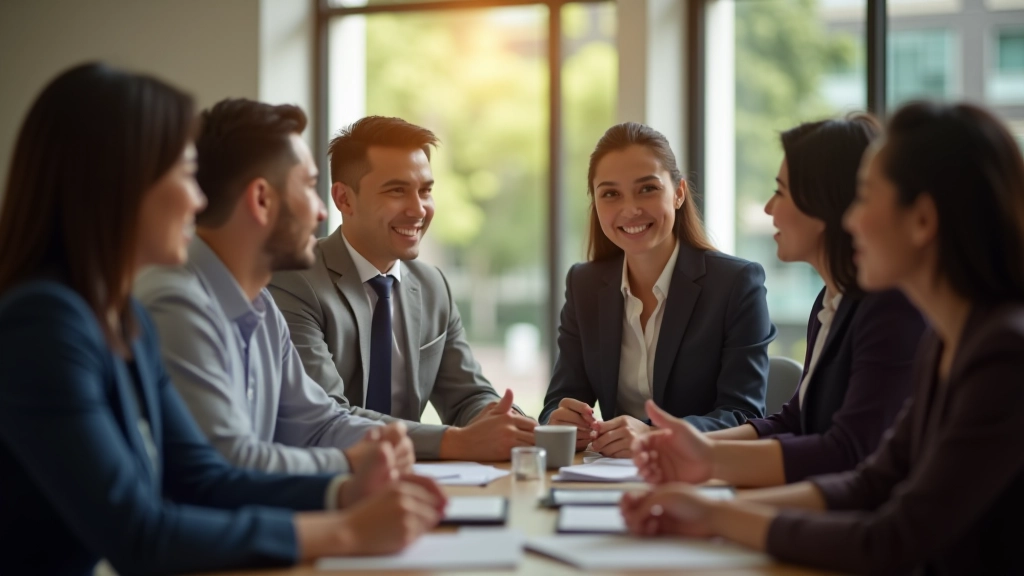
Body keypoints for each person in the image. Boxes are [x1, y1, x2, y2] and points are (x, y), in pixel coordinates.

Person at [0, 63, 444, 576]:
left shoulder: (122, 321)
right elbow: (139, 534)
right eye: (185, 175)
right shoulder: (43, 326)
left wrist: (344, 490)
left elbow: (202, 477)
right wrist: (346, 529)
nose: (197, 199)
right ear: (121, 183)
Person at [621, 102, 1024, 574]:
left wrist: (721, 515)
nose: (850, 220)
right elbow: (871, 483)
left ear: (922, 220)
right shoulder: (948, 341)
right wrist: (713, 509)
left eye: (866, 198)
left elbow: (893, 536)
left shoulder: (1004, 355)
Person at [633, 115, 925, 487]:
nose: (770, 208)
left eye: (781, 192)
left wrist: (710, 463)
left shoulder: (889, 308)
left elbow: (847, 453)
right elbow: (793, 422)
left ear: (823, 204)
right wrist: (688, 446)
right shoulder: (830, 302)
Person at [134, 99, 414, 475]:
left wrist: (388, 444)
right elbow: (229, 463)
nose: (321, 211)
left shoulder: (261, 307)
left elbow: (318, 424)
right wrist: (350, 464)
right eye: (311, 187)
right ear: (262, 200)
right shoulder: (174, 303)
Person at [269, 116, 535, 461]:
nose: (418, 209)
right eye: (397, 190)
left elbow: (468, 397)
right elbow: (327, 416)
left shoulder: (432, 285)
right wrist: (456, 442)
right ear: (344, 199)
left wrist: (513, 425)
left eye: (425, 190)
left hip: (413, 482)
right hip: (326, 484)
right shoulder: (295, 279)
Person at [539, 122, 776, 457]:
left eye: (647, 189)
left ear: (678, 193)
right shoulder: (584, 285)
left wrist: (653, 434)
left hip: (700, 479)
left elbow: (745, 416)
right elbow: (558, 401)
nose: (630, 209)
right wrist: (560, 421)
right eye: (610, 194)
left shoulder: (736, 284)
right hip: (607, 479)